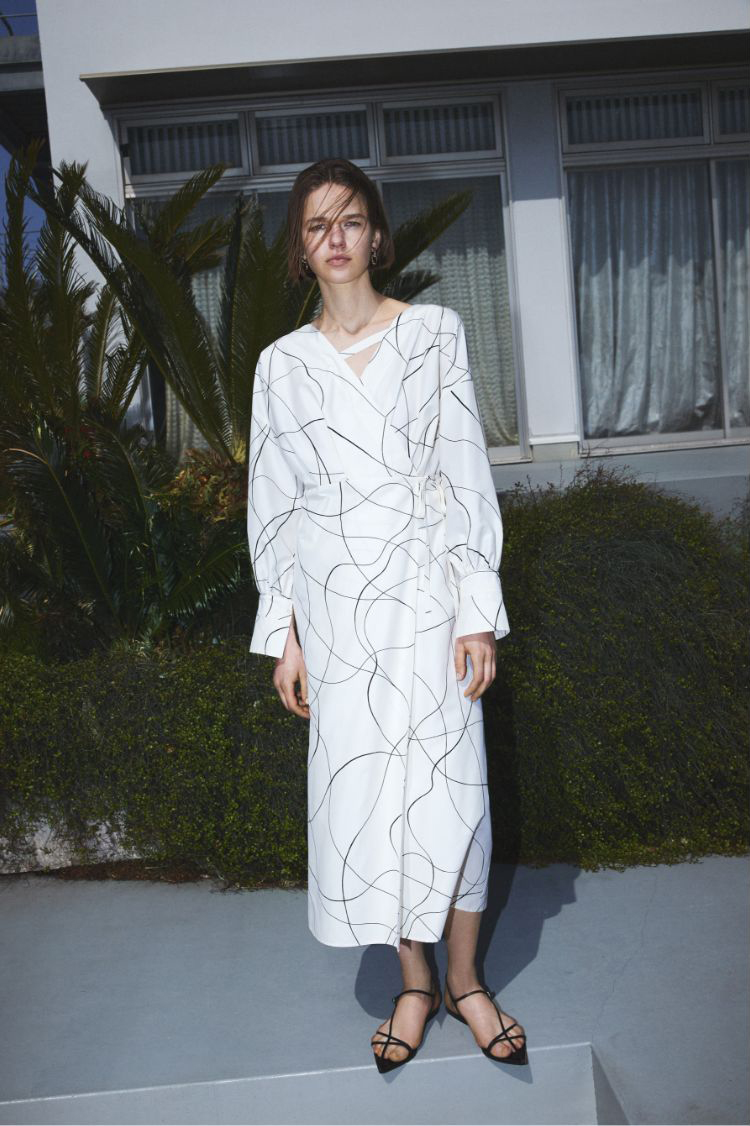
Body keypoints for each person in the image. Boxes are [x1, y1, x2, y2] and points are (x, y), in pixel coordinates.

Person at [246, 157, 527, 1073]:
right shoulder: (280, 366)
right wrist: (286, 635)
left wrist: (475, 610)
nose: (335, 238)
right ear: (301, 248)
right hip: (336, 616)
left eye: (351, 220)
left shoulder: (434, 334)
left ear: (376, 235)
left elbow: (464, 473)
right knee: (369, 802)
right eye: (317, 224)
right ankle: (414, 983)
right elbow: (275, 509)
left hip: (428, 601)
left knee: (454, 792)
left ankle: (467, 980)